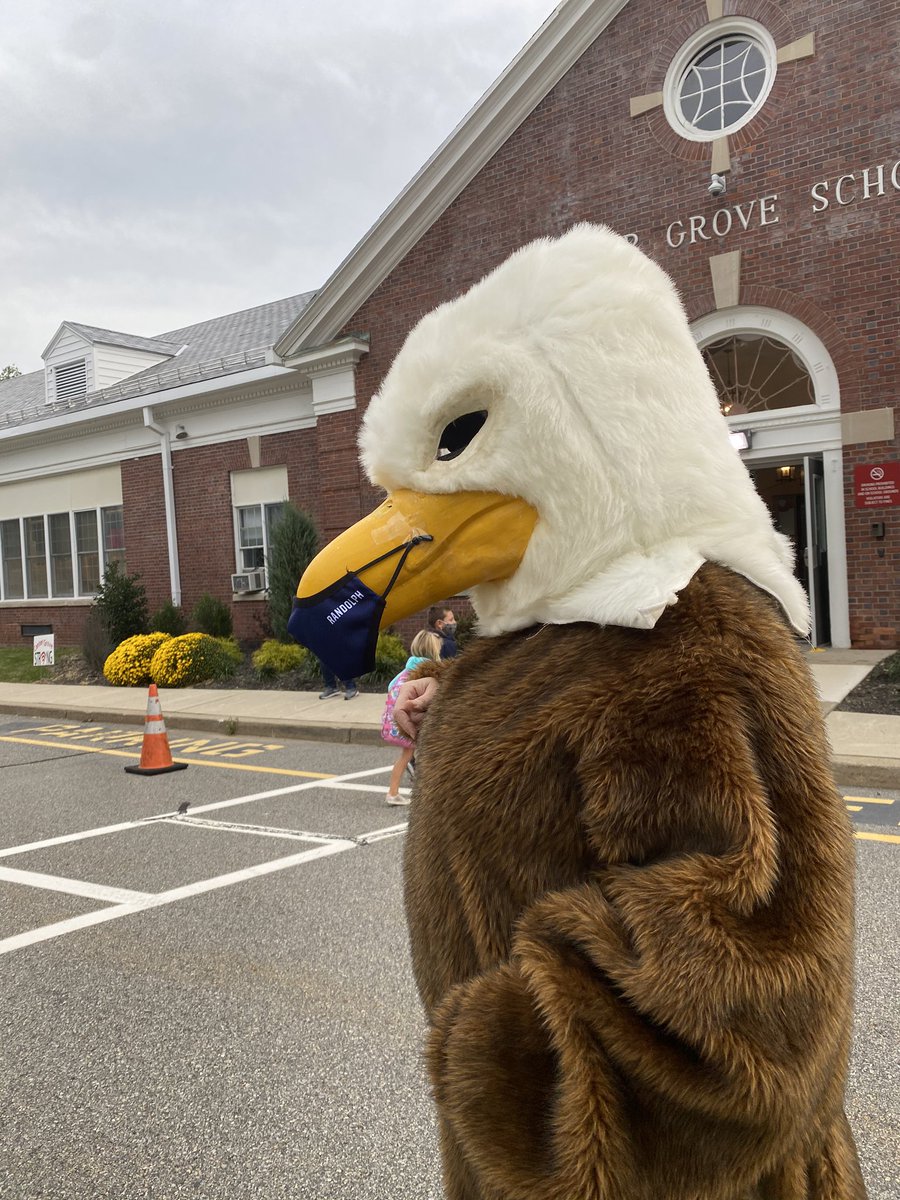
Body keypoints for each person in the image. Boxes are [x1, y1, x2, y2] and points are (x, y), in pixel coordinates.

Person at [381, 630, 441, 805]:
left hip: (397, 723)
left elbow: (391, 687)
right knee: (410, 757)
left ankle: (396, 792)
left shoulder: (407, 670)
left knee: (407, 757)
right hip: (413, 724)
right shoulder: (427, 672)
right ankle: (393, 793)